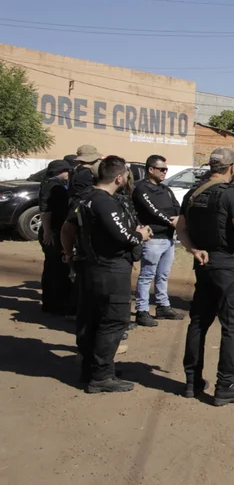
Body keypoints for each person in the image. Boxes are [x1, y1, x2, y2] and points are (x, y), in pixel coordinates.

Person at [177, 148, 234, 405]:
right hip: (230, 266)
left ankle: (192, 381)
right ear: (232, 168)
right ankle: (225, 385)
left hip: (204, 264)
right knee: (233, 325)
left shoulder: (193, 193)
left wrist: (195, 250)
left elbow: (180, 229)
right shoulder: (231, 193)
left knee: (199, 322)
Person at [67, 156, 153, 393]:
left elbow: (68, 228)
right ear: (119, 177)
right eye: (125, 175)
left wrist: (68, 254)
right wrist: (141, 235)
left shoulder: (84, 198)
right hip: (109, 269)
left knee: (90, 319)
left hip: (90, 266)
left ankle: (91, 369)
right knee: (113, 320)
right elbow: (123, 236)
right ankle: (101, 376)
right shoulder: (105, 202)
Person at [132, 155, 184, 327]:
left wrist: (178, 219)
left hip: (168, 239)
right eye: (161, 169)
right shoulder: (141, 189)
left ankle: (163, 306)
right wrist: (171, 221)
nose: (164, 172)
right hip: (152, 239)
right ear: (150, 169)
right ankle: (142, 310)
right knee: (147, 275)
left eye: (166, 169)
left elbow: (176, 206)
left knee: (163, 275)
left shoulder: (165, 189)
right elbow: (152, 210)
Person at [38, 159, 73, 315]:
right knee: (54, 269)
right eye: (67, 170)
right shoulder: (52, 186)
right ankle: (52, 304)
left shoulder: (57, 184)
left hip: (57, 230)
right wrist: (47, 231)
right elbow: (46, 211)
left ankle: (56, 302)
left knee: (58, 268)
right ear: (60, 171)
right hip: (52, 231)